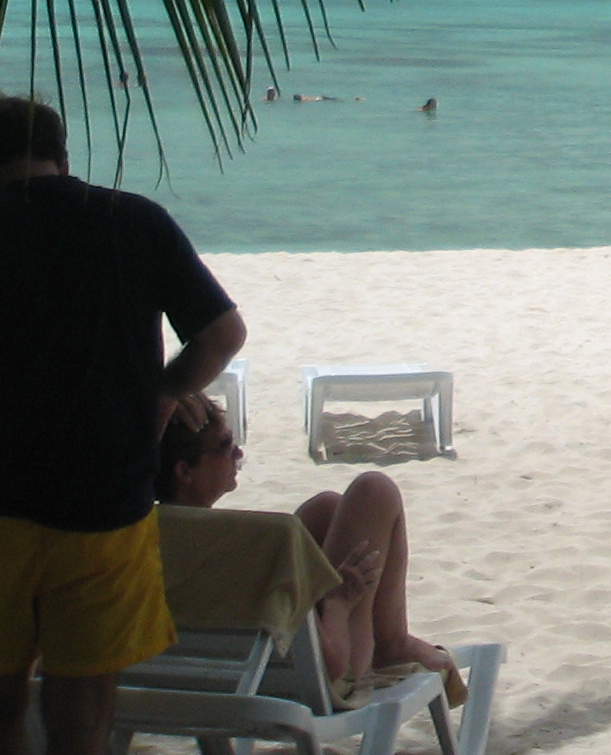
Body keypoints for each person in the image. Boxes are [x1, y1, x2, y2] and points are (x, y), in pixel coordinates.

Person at [2, 96, 245, 755]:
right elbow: (223, 333)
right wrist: (166, 390)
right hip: (103, 505)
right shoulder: (131, 220)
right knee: (80, 721)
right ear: (65, 158)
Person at [156, 411, 453, 691]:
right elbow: (332, 665)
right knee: (375, 490)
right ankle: (391, 644)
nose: (238, 453)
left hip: (202, 673)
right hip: (300, 682)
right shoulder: (245, 542)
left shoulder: (150, 539)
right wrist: (338, 603)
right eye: (225, 445)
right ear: (184, 470)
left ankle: (392, 642)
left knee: (326, 509)